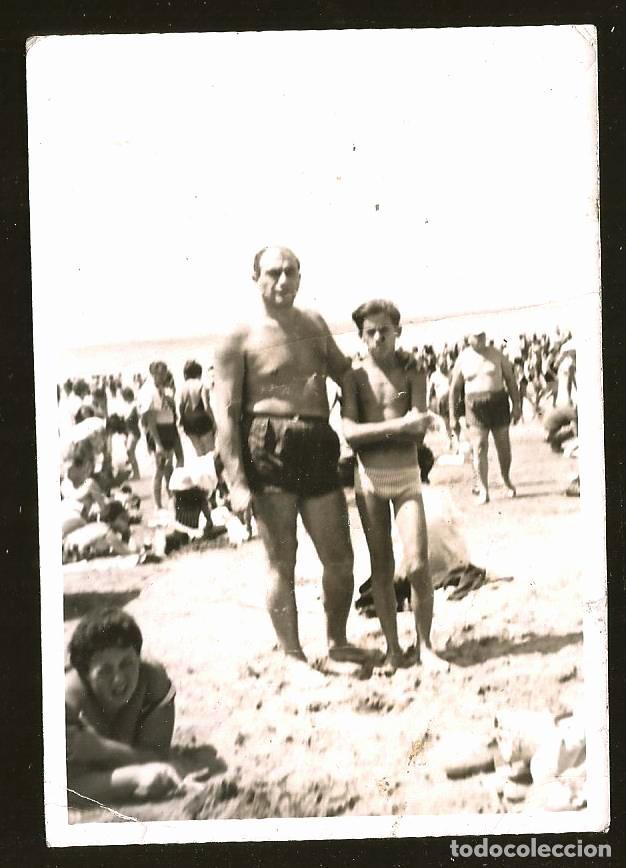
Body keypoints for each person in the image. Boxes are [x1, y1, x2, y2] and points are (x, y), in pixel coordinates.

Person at [213, 246, 369, 667]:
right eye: (274, 272)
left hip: (318, 439)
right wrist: (237, 483)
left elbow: (347, 372)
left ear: (301, 277)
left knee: (339, 557)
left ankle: (337, 642)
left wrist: (390, 373)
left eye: (291, 272)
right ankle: (293, 655)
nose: (283, 280)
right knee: (281, 559)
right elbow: (225, 412)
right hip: (268, 441)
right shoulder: (239, 336)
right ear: (255, 277)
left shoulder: (313, 322)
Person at [341, 300, 446, 671]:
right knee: (381, 567)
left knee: (418, 564)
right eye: (370, 331)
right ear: (360, 336)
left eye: (385, 329)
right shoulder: (355, 379)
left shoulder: (412, 371)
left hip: (405, 476)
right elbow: (350, 434)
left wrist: (398, 429)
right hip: (369, 480)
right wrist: (398, 427)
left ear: (398, 331)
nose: (378, 337)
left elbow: (418, 427)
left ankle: (426, 646)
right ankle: (392, 649)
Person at [65, 607, 181, 804]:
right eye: (105, 671)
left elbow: (157, 757)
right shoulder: (66, 702)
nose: (119, 679)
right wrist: (133, 777)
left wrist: (101, 749)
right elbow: (62, 788)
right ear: (85, 674)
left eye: (126, 663)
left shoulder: (152, 681)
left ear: (138, 657)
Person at [449, 331, 521, 504]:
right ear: (468, 338)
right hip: (474, 406)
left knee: (503, 446)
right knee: (479, 447)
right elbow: (454, 389)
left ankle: (506, 479)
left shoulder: (497, 354)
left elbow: (511, 380)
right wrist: (452, 415)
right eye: (476, 336)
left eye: (482, 335)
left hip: (498, 403)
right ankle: (484, 490)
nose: (480, 339)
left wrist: (517, 405)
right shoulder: (463, 359)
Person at [138, 361, 184, 510]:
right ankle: (158, 505)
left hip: (169, 427)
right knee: (160, 468)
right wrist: (157, 443)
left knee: (171, 464)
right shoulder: (148, 390)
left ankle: (172, 496)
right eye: (161, 372)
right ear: (154, 373)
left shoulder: (161, 388)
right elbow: (150, 420)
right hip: (158, 431)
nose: (164, 375)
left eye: (165, 371)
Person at [178, 360, 216, 457]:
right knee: (211, 453)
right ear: (199, 373)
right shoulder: (201, 385)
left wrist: (182, 422)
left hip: (188, 422)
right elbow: (206, 407)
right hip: (202, 420)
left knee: (199, 453)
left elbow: (180, 407)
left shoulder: (182, 387)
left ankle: (203, 471)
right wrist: (214, 421)